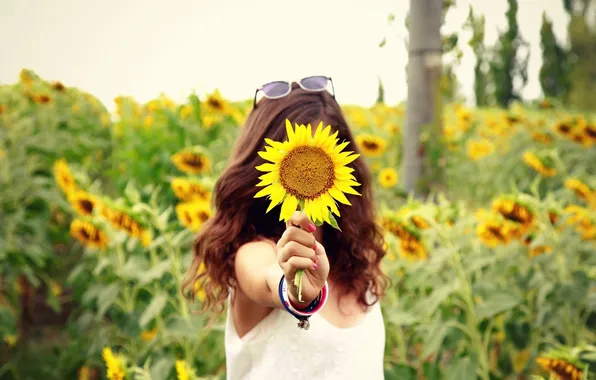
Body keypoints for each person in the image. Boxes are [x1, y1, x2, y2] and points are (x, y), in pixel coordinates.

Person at [183, 77, 389, 380]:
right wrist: (295, 291)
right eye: (298, 161)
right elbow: (271, 279)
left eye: (321, 160)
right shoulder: (254, 254)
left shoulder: (357, 264)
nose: (309, 172)